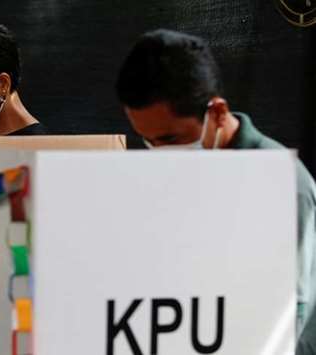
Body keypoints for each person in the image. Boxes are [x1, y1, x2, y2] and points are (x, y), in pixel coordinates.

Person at [116, 29, 316, 353]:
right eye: (147, 139)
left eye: (170, 139)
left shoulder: (283, 185)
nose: (159, 151)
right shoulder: (181, 175)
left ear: (218, 113)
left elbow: (286, 320)